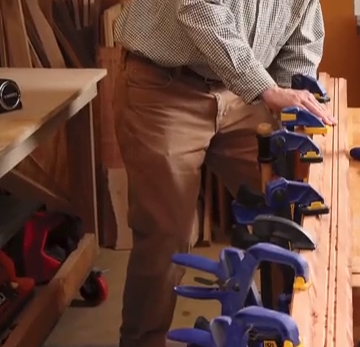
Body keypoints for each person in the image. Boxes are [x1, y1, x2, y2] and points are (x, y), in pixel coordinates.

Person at [111, 0, 336, 345]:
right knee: (165, 238)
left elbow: (301, 34)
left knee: (288, 212)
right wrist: (266, 89)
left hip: (244, 93)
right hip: (165, 89)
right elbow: (198, 7)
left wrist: (291, 103)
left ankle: (286, 328)